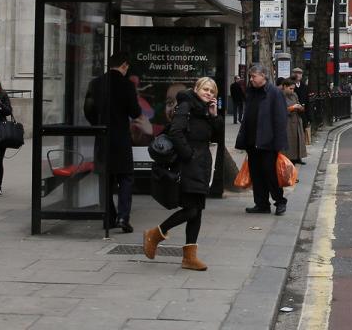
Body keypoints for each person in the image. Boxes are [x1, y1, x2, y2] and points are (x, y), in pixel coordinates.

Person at [143, 77, 223, 271]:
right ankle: (155, 234)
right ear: (196, 89)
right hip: (189, 165)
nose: (208, 93)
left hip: (202, 165)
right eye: (205, 89)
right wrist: (188, 155)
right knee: (191, 209)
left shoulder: (205, 111)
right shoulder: (186, 105)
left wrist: (213, 115)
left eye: (212, 92)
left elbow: (216, 136)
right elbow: (176, 132)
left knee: (197, 210)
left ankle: (189, 257)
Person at [84, 53, 141, 233]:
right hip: (121, 138)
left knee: (105, 178)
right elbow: (135, 111)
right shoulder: (127, 85)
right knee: (125, 177)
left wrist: (98, 124)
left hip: (102, 136)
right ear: (124, 65)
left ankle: (108, 217)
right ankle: (123, 216)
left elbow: (88, 110)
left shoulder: (95, 83)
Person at [235, 64, 288, 215]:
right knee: (256, 174)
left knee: (270, 173)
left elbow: (280, 119)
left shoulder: (275, 93)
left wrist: (278, 143)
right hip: (252, 142)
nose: (251, 79)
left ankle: (280, 201)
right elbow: (247, 117)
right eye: (250, 76)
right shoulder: (251, 92)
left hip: (268, 142)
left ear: (263, 76)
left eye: (253, 76)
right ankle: (262, 204)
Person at [279, 78, 307, 164]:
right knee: (290, 141)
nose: (292, 90)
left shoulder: (294, 95)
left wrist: (300, 108)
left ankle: (297, 157)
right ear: (284, 87)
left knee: (298, 140)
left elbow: (299, 105)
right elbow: (280, 110)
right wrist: (292, 108)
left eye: (293, 88)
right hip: (287, 122)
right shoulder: (280, 95)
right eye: (290, 88)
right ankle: (289, 159)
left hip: (296, 120)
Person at [290, 68, 311, 145]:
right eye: (295, 73)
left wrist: (309, 117)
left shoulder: (304, 86)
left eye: (299, 73)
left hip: (302, 114)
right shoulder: (290, 86)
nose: (297, 75)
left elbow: (307, 102)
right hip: (293, 113)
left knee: (302, 134)